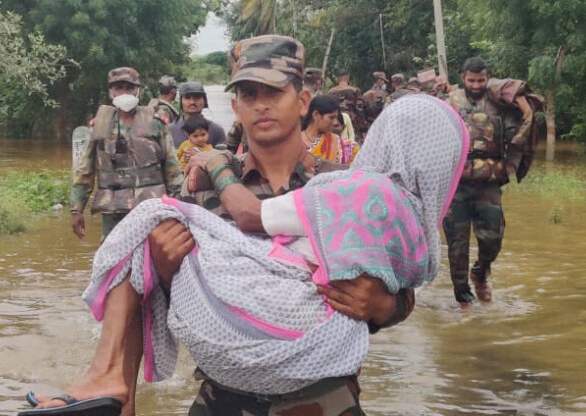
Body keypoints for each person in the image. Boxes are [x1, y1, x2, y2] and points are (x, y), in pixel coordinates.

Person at [27, 36, 414, 416]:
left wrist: (382, 305)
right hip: (223, 397)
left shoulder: (344, 187)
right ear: (235, 107)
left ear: (302, 101)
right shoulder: (202, 187)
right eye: (248, 95)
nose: (261, 105)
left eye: (273, 92)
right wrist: (163, 270)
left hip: (326, 399)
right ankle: (110, 388)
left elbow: (401, 287)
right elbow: (172, 294)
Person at [443, 56, 537, 307]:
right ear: (463, 79)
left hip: (489, 182)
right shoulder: (449, 103)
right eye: (471, 80)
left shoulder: (500, 105)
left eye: (481, 80)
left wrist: (511, 166)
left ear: (487, 78)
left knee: (493, 238)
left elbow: (517, 140)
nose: (476, 85)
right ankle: (463, 298)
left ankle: (481, 270)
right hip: (456, 184)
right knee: (457, 244)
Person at [70, 67, 182, 242]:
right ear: (110, 92)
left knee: (154, 260)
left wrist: (178, 207)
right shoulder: (99, 125)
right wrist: (76, 210)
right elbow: (85, 171)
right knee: (112, 262)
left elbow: (172, 169)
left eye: (129, 88)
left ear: (139, 91)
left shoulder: (157, 123)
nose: (124, 92)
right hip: (113, 212)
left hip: (152, 208)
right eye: (118, 88)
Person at [170, 81, 226, 150]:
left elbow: (224, 158)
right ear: (181, 101)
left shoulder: (216, 130)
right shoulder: (170, 130)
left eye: (197, 97)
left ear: (204, 101)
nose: (192, 102)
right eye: (187, 98)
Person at [301, 94, 344, 163]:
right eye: (331, 117)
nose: (335, 122)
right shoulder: (295, 143)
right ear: (316, 115)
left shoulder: (339, 144)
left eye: (336, 117)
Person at [328, 70, 367, 143]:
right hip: (352, 125)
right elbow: (360, 110)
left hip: (335, 125)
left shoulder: (331, 92)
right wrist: (363, 130)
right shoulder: (355, 90)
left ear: (338, 79)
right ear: (347, 78)